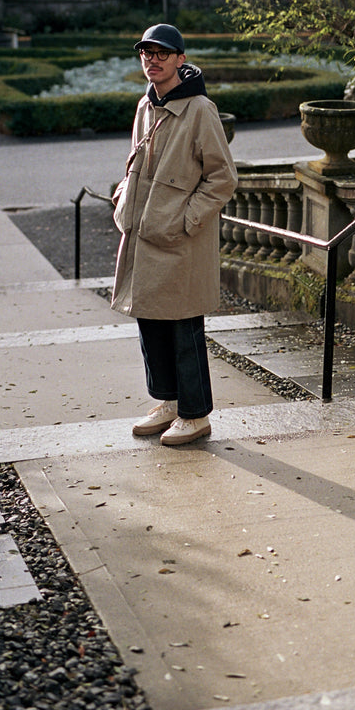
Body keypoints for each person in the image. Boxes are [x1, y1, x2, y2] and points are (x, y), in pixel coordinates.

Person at [111, 23, 238, 445]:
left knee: (184, 327)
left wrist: (187, 219)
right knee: (150, 320)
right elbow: (134, 163)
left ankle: (196, 413)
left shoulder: (200, 109)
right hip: (144, 236)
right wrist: (124, 196)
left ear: (181, 60)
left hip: (181, 240)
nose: (153, 59)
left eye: (162, 53)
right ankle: (166, 402)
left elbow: (223, 178)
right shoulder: (144, 107)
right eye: (146, 52)